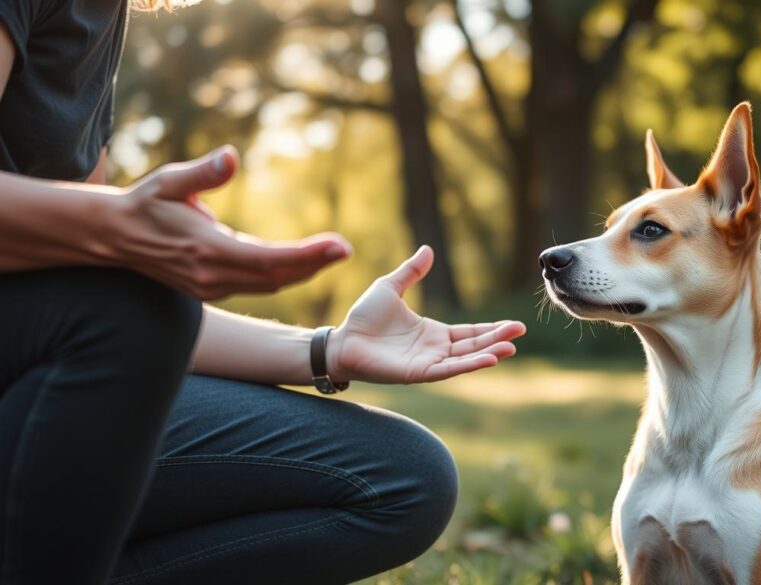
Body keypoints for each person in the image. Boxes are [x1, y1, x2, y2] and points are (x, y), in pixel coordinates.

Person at [0, 1, 527, 583]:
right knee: (132, 302)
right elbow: (108, 300)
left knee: (406, 477)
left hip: (40, 371)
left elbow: (94, 308)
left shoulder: (103, 15)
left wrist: (328, 348)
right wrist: (117, 229)